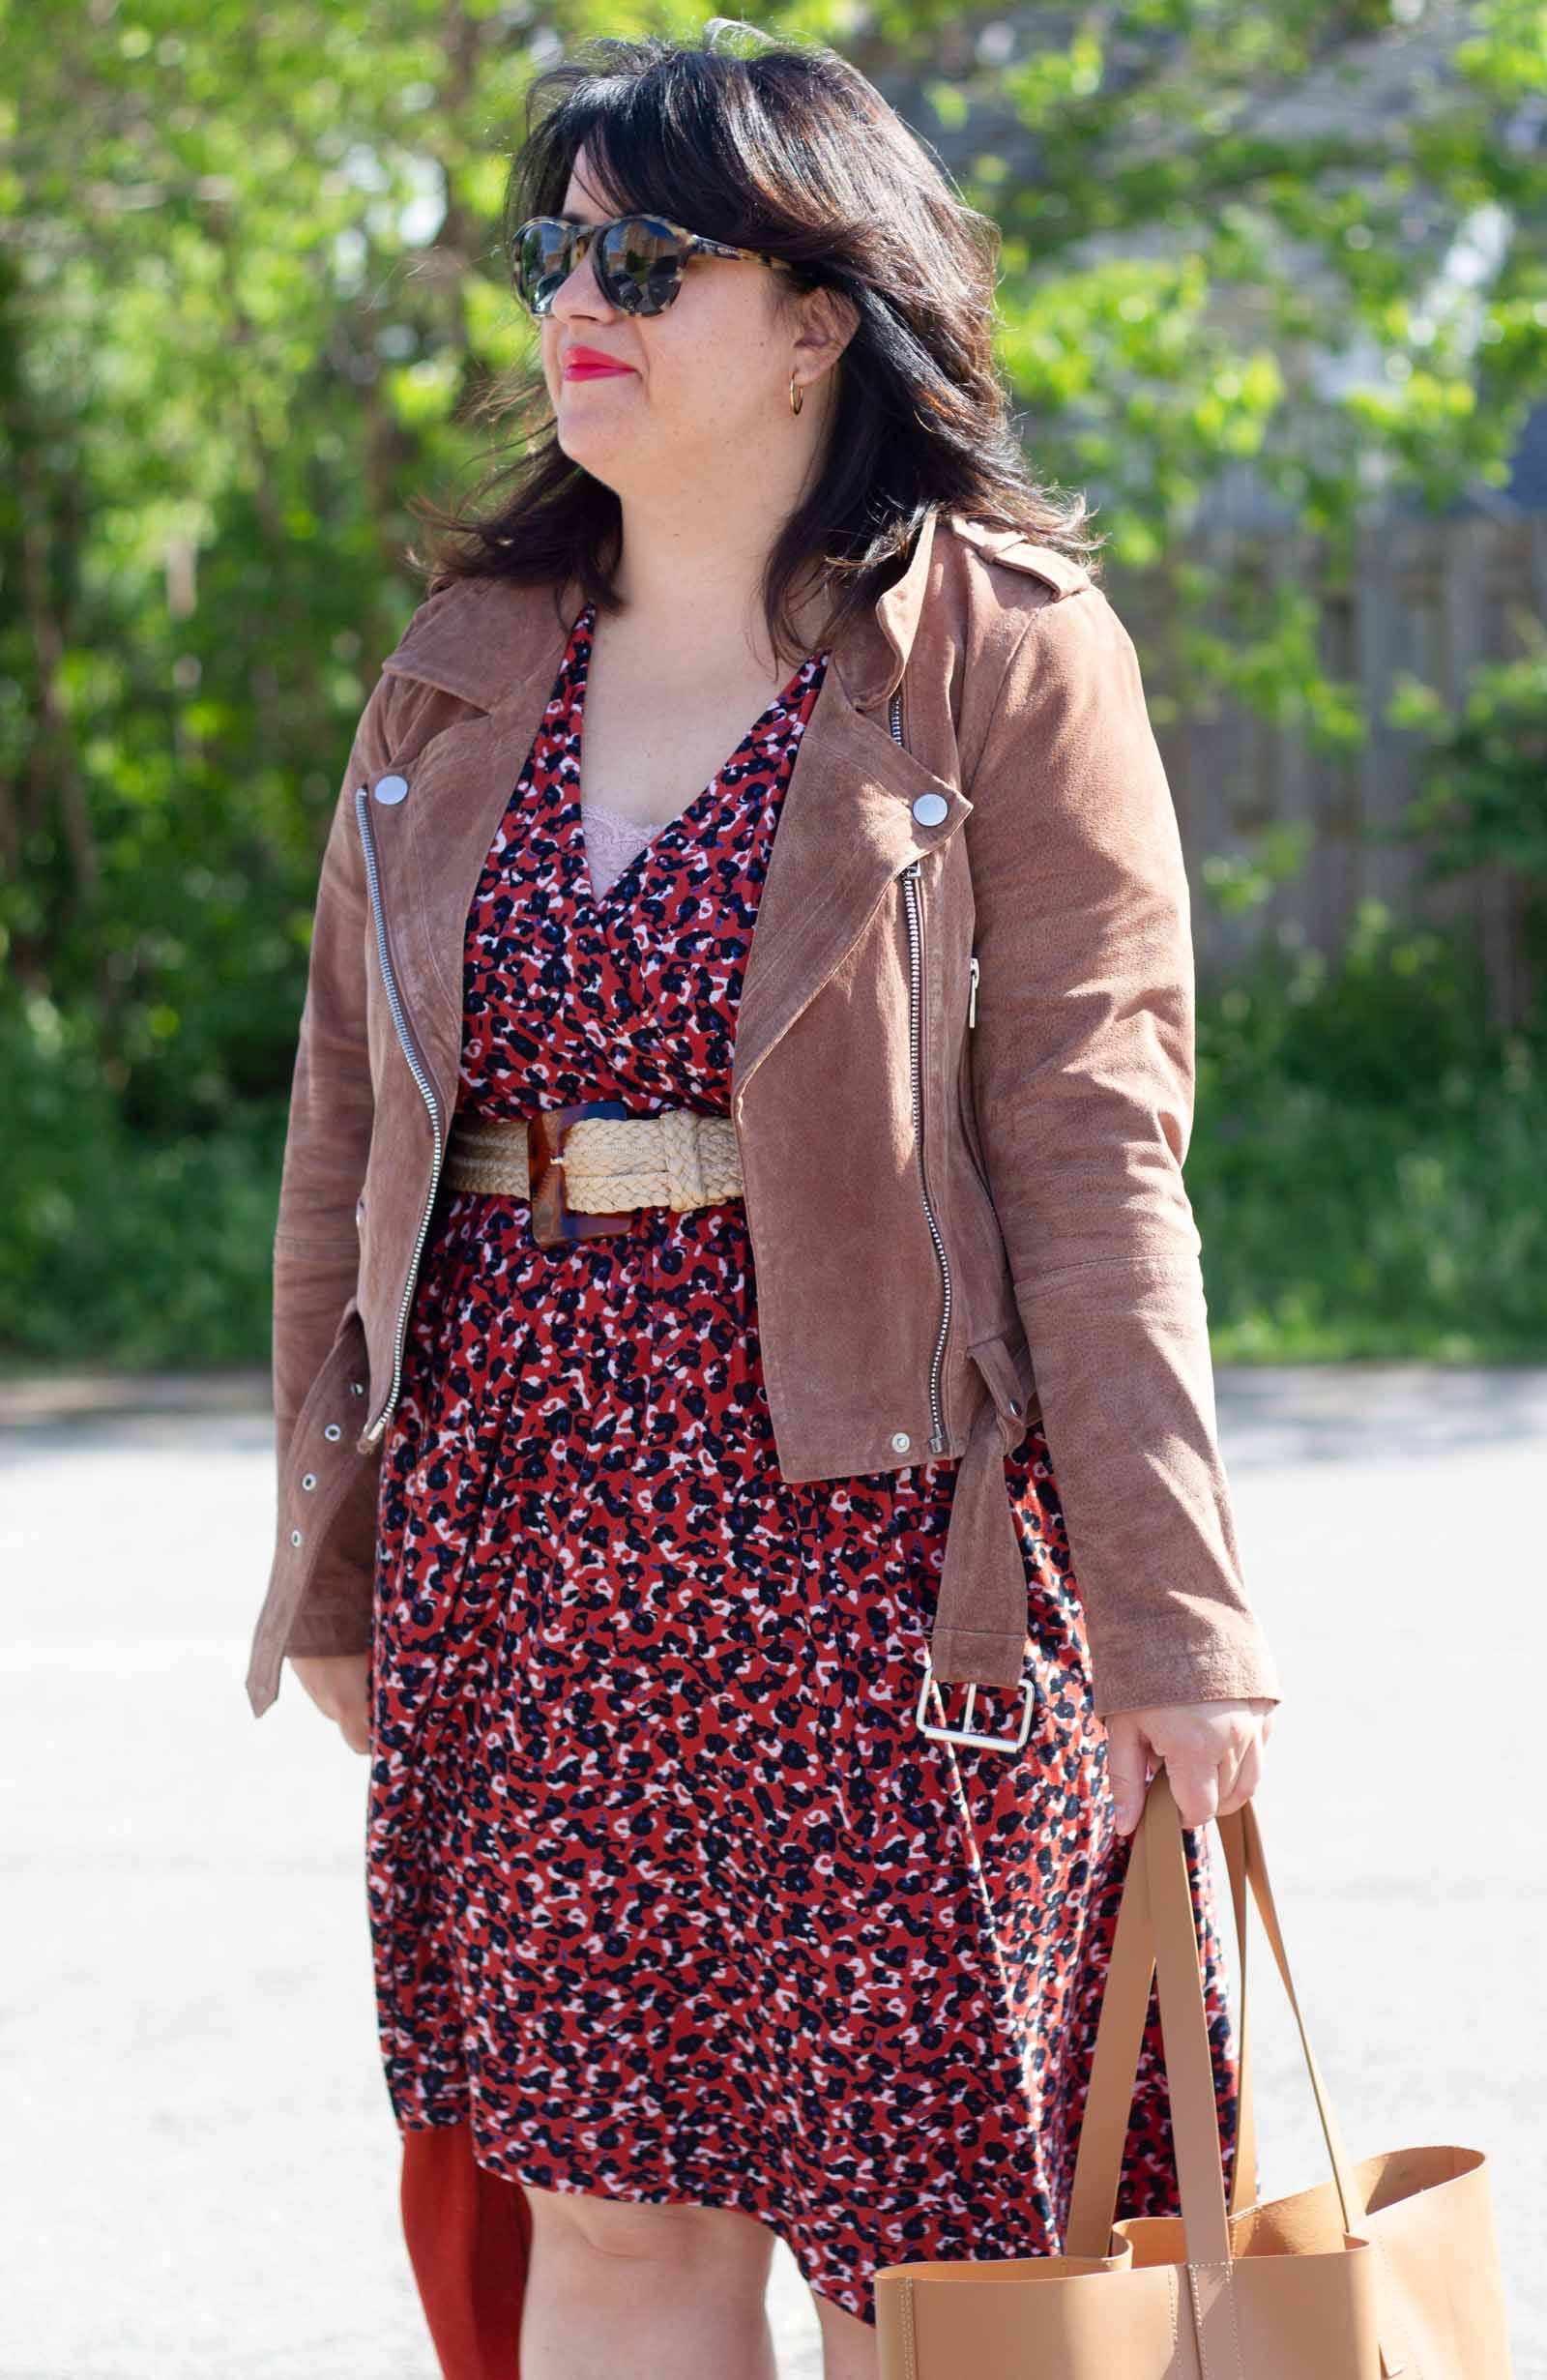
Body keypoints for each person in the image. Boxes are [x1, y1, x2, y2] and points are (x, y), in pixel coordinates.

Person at [251, 28, 1281, 2380]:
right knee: (611, 2230)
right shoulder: (456, 672)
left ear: (822, 314)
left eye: (643, 256)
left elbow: (1095, 1144)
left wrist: (1175, 1620)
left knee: (952, 2262)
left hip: (880, 1567)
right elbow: (347, 1136)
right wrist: (329, 1557)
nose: (571, 302)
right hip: (520, 1545)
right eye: (552, 253)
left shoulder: (997, 653)